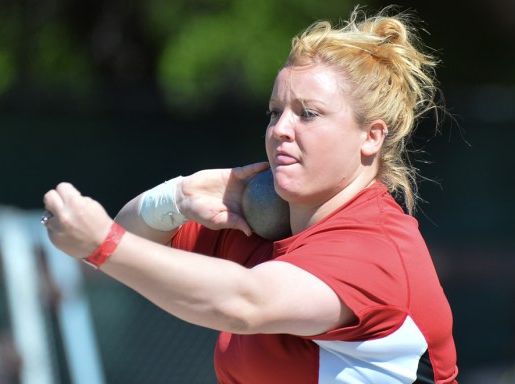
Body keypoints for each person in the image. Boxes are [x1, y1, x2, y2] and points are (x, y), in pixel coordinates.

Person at [43, 7, 458, 384]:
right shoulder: (261, 223)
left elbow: (245, 303)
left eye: (308, 113)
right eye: (275, 112)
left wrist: (104, 244)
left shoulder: (375, 247)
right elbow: (133, 239)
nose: (280, 129)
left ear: (371, 137)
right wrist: (179, 195)